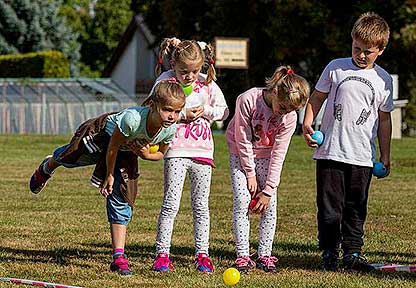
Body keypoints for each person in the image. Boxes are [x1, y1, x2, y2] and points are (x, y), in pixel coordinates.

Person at [29, 80, 186, 275]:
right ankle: (49, 165)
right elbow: (112, 146)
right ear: (153, 105)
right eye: (167, 110)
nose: (172, 116)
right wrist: (109, 174)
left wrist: (145, 155)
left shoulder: (169, 128)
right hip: (103, 135)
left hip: (126, 151)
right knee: (70, 157)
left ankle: (118, 257)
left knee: (123, 196)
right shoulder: (132, 119)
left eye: (177, 112)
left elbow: (161, 153)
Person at [302, 12, 393, 272]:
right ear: (351, 41)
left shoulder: (383, 80)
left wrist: (384, 155)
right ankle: (329, 251)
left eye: (368, 51)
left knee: (356, 206)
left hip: (362, 156)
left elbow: (384, 121)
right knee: (329, 207)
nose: (361, 55)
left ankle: (352, 252)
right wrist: (307, 123)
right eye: (357, 48)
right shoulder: (336, 67)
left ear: (380, 50)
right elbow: (317, 98)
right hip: (330, 151)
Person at [151, 38, 229, 273]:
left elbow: (224, 111)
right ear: (173, 64)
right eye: (184, 71)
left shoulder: (207, 83)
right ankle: (162, 253)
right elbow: (152, 107)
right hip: (176, 151)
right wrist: (182, 114)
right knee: (171, 203)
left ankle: (202, 254)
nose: (190, 76)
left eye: (195, 71)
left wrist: (205, 111)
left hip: (203, 152)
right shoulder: (165, 81)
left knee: (201, 206)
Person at [226, 66, 310, 273]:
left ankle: (265, 254)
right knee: (242, 202)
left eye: (291, 110)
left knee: (269, 206)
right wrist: (250, 174)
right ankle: (243, 255)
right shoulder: (247, 100)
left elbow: (279, 153)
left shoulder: (289, 118)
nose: (284, 113)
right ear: (274, 92)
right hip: (241, 153)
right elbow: (243, 139)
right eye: (283, 107)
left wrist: (269, 190)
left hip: (267, 155)